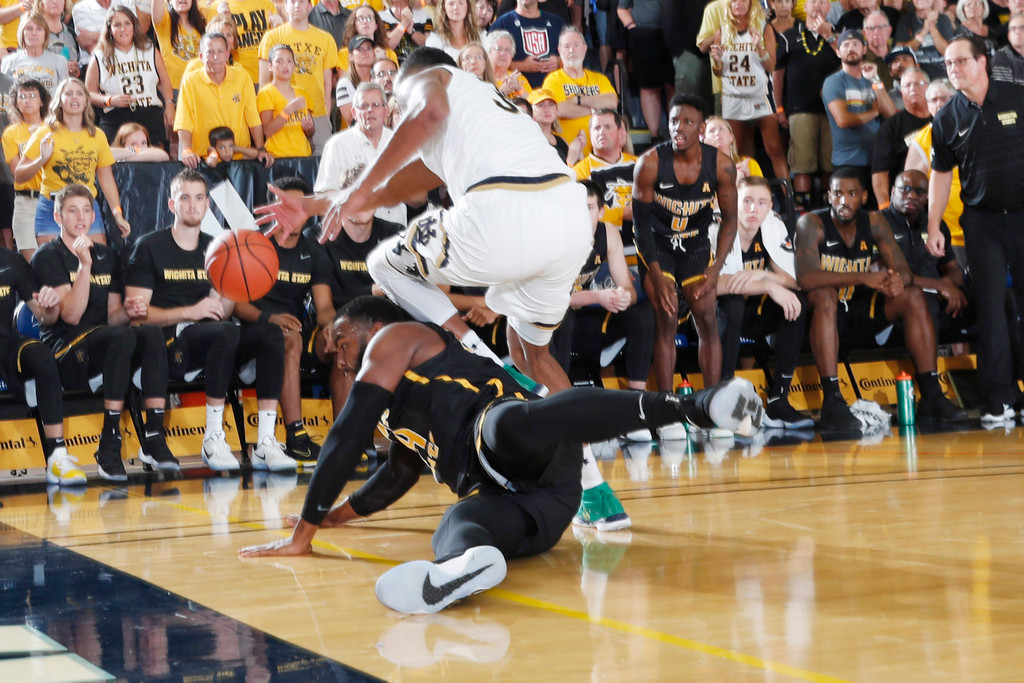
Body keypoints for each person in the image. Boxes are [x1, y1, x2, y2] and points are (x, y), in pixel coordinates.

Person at [256, 47, 631, 531]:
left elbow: (422, 116)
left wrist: (363, 188)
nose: (394, 110)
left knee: (385, 263)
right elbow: (391, 188)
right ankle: (596, 490)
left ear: (403, 83)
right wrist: (311, 204)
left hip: (504, 209)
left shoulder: (429, 79)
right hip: (568, 218)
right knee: (533, 354)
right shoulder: (480, 119)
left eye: (391, 99)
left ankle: (477, 355)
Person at [237, 295, 764, 614]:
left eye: (342, 340)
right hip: (542, 509)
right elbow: (397, 472)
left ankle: (694, 405)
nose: (340, 356)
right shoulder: (393, 409)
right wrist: (335, 517)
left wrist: (302, 533)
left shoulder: (397, 337)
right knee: (458, 524)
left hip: (524, 445)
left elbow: (345, 434)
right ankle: (461, 569)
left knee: (506, 423)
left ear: (368, 329)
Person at [124, 168, 295, 471]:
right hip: (170, 344)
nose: (193, 204)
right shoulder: (149, 247)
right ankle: (213, 437)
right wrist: (192, 312)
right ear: (172, 205)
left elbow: (223, 311)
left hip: (214, 338)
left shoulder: (218, 248)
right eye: (185, 198)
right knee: (224, 332)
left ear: (207, 204)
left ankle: (266, 442)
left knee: (270, 335)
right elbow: (139, 317)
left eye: (199, 198)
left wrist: (231, 283)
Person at [795, 168, 966, 430]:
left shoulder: (874, 221)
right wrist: (862, 278)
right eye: (838, 193)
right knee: (825, 295)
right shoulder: (812, 223)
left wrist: (897, 280)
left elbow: (904, 272)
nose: (844, 200)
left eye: (852, 194)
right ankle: (832, 401)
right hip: (821, 316)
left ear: (864, 197)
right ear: (828, 196)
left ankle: (932, 396)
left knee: (912, 295)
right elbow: (806, 278)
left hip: (860, 311)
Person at [32, 183, 182, 480]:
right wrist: (84, 266)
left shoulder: (108, 255)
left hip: (108, 343)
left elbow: (112, 319)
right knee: (123, 336)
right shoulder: (48, 256)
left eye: (87, 211)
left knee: (149, 332)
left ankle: (153, 436)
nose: (81, 217)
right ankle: (110, 441)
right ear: (58, 217)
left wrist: (129, 311)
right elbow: (72, 317)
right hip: (66, 348)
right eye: (72, 211)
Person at [926, 36, 1024, 422]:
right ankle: (1000, 400)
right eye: (948, 64)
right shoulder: (946, 117)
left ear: (982, 61)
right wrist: (933, 224)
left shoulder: (1018, 96)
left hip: (1023, 215)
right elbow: (939, 176)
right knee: (991, 311)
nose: (953, 69)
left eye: (960, 61)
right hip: (981, 222)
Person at [631, 93, 738, 438]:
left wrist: (716, 267)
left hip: (694, 244)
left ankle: (712, 405)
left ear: (702, 128)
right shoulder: (649, 163)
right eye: (674, 120)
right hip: (658, 247)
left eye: (687, 122)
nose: (678, 127)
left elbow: (731, 221)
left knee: (706, 312)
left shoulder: (721, 165)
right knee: (665, 314)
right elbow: (640, 227)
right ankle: (666, 410)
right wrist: (657, 274)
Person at [232, 177, 334, 461]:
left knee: (342, 341)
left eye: (299, 207)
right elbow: (236, 305)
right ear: (274, 208)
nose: (293, 213)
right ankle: (296, 434)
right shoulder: (255, 243)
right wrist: (270, 317)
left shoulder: (314, 250)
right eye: (286, 206)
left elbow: (324, 306)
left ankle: (349, 438)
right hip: (249, 335)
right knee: (287, 336)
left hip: (291, 336)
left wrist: (335, 327)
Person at [717, 176, 812, 428]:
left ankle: (779, 400)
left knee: (795, 302)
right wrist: (770, 285)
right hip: (710, 313)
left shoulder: (772, 224)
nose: (753, 209)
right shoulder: (716, 225)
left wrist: (765, 275)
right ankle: (722, 399)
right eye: (746, 201)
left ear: (770, 206)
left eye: (761, 203)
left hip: (751, 308)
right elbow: (715, 285)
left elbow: (794, 281)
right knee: (732, 304)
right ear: (734, 201)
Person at [551, 180, 653, 393]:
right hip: (551, 320)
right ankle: (558, 396)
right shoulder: (556, 237)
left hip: (586, 317)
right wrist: (598, 297)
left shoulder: (608, 233)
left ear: (601, 211)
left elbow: (628, 288)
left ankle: (638, 398)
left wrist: (623, 296)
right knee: (563, 317)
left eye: (588, 208)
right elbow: (554, 298)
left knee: (642, 314)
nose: (580, 214)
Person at [0, 244, 81, 484]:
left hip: (5, 343)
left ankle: (57, 456)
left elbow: (45, 317)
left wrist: (51, 305)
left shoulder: (11, 261)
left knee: (42, 355)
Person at [16, 78, 131, 245]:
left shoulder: (98, 135)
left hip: (87, 208)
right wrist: (42, 159)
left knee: (96, 266)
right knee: (53, 266)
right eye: (68, 94)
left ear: (86, 101)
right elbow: (19, 176)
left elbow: (106, 179)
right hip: (52, 209)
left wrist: (117, 214)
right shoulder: (45, 133)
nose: (74, 98)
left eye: (79, 94)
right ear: (60, 101)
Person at [701, 0, 789, 181]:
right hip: (733, 96)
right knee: (735, 150)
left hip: (759, 94)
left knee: (774, 149)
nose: (738, 3)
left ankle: (788, 197)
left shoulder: (764, 28)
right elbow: (718, 71)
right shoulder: (722, 31)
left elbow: (771, 65)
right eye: (733, 0)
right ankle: (735, 197)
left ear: (752, 3)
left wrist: (758, 47)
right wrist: (717, 60)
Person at [881, 169, 967, 337]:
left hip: (939, 293)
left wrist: (947, 283)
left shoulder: (935, 225)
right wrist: (938, 286)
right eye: (905, 189)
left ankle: (999, 362)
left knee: (997, 300)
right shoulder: (878, 223)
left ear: (927, 197)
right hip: (899, 298)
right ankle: (929, 363)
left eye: (919, 191)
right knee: (925, 301)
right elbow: (886, 276)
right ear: (892, 192)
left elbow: (953, 269)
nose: (912, 195)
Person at [774, 0, 841, 210]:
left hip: (833, 111)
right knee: (802, 164)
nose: (818, 5)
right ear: (805, 7)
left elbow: (848, 58)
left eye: (823, 2)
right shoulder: (790, 36)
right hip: (798, 109)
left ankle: (829, 209)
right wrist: (779, 108)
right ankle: (802, 212)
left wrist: (828, 35)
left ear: (829, 8)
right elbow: (777, 75)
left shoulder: (838, 35)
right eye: (814, 1)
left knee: (829, 164)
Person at [175, 32, 272, 169]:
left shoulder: (243, 77)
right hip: (204, 160)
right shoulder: (190, 81)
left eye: (220, 51)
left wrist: (261, 148)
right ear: (201, 56)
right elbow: (183, 121)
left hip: (238, 160)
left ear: (227, 54)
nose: (216, 57)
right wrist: (187, 151)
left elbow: (253, 117)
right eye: (210, 52)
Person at [317, 83, 408, 226]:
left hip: (396, 229)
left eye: (376, 105)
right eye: (364, 106)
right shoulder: (337, 145)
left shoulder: (399, 142)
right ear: (354, 113)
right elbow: (323, 195)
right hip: (354, 233)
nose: (370, 110)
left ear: (386, 110)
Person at [84, 5, 174, 149]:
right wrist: (109, 100)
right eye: (117, 25)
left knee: (157, 161)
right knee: (116, 164)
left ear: (134, 26)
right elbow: (88, 94)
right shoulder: (99, 56)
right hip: (116, 116)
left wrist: (169, 104)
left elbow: (164, 82)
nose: (123, 29)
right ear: (109, 29)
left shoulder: (149, 49)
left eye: (127, 23)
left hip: (149, 113)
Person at [258, 0, 339, 155]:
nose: (297, 5)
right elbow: (263, 83)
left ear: (310, 6)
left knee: (321, 168)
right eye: (292, 1)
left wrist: (326, 117)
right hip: (281, 116)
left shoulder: (325, 38)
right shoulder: (272, 37)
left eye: (301, 1)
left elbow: (327, 82)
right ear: (285, 6)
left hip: (317, 113)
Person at [823, 29, 896, 190]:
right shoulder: (833, 82)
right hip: (847, 162)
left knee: (877, 212)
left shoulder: (872, 79)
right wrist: (875, 112)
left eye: (855, 44)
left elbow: (890, 114)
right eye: (846, 45)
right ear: (838, 52)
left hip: (877, 161)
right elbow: (843, 120)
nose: (851, 49)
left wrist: (876, 79)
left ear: (864, 49)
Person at [540, 26, 617, 156]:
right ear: (559, 51)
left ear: (585, 48)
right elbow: (560, 109)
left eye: (576, 45)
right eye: (566, 46)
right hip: (568, 154)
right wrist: (595, 110)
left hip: (601, 154)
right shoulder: (553, 80)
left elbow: (612, 102)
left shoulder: (599, 79)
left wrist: (578, 100)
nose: (571, 50)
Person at [573, 108, 636, 244]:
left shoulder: (639, 164)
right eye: (596, 128)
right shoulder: (581, 171)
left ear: (620, 133)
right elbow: (585, 212)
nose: (601, 132)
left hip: (644, 249)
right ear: (590, 134)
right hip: (604, 251)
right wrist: (623, 213)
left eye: (607, 127)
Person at [870, 68, 930, 206]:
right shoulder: (891, 127)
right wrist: (884, 206)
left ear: (928, 86)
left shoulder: (941, 120)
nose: (913, 89)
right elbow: (880, 172)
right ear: (901, 91)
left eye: (918, 83)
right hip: (906, 199)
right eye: (907, 85)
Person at [2, 77, 48, 259]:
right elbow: (18, 173)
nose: (27, 100)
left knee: (54, 261)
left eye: (32, 95)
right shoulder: (10, 133)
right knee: (31, 262)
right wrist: (42, 157)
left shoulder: (53, 128)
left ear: (42, 101)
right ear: (16, 103)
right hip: (25, 201)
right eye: (22, 96)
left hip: (51, 199)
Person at [616, 0, 674, 141]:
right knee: (649, 87)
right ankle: (655, 137)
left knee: (673, 85)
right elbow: (622, 8)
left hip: (675, 32)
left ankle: (676, 133)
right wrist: (632, 28)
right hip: (645, 34)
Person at [257, 43, 315, 159]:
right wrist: (288, 111)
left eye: (289, 61)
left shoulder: (303, 93)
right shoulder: (266, 93)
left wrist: (309, 128)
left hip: (303, 155)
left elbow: (311, 132)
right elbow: (267, 131)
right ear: (270, 66)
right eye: (279, 61)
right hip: (279, 156)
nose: (285, 65)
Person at [489, 0, 564, 88]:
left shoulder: (557, 23)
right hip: (515, 94)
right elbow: (487, 62)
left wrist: (559, 61)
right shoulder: (502, 24)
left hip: (554, 92)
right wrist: (522, 66)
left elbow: (577, 54)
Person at [204, 0, 280, 84]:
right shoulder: (216, 8)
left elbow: (276, 43)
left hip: (268, 78)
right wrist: (224, 19)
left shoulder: (266, 3)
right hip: (236, 79)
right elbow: (214, 48)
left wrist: (279, 27)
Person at [0, 13, 69, 95]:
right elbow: (4, 97)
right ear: (22, 33)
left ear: (45, 33)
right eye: (29, 29)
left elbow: (65, 95)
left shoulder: (60, 62)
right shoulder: (8, 62)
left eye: (39, 29)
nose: (34, 33)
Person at [151, 0, 206, 93]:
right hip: (174, 90)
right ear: (169, 2)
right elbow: (156, 15)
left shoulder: (202, 23)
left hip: (200, 88)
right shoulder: (165, 22)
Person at [896, 0, 956, 78]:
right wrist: (924, 31)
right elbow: (901, 52)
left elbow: (948, 52)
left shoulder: (943, 19)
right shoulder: (905, 20)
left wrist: (932, 27)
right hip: (916, 75)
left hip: (942, 74)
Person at [37, 0, 81, 79]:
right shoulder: (33, 32)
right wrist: (61, 67)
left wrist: (74, 69)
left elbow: (78, 62)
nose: (54, 1)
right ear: (41, 2)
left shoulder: (71, 33)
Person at [487, 29, 530, 97]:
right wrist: (502, 92)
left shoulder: (519, 79)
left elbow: (532, 105)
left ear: (512, 55)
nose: (503, 53)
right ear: (487, 52)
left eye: (507, 50)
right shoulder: (482, 78)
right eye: (498, 49)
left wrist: (519, 89)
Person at [991, 12, 1024, 84]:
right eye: (1013, 29)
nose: (1017, 32)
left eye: (1022, 28)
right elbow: (1005, 92)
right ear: (1009, 36)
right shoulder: (1002, 57)